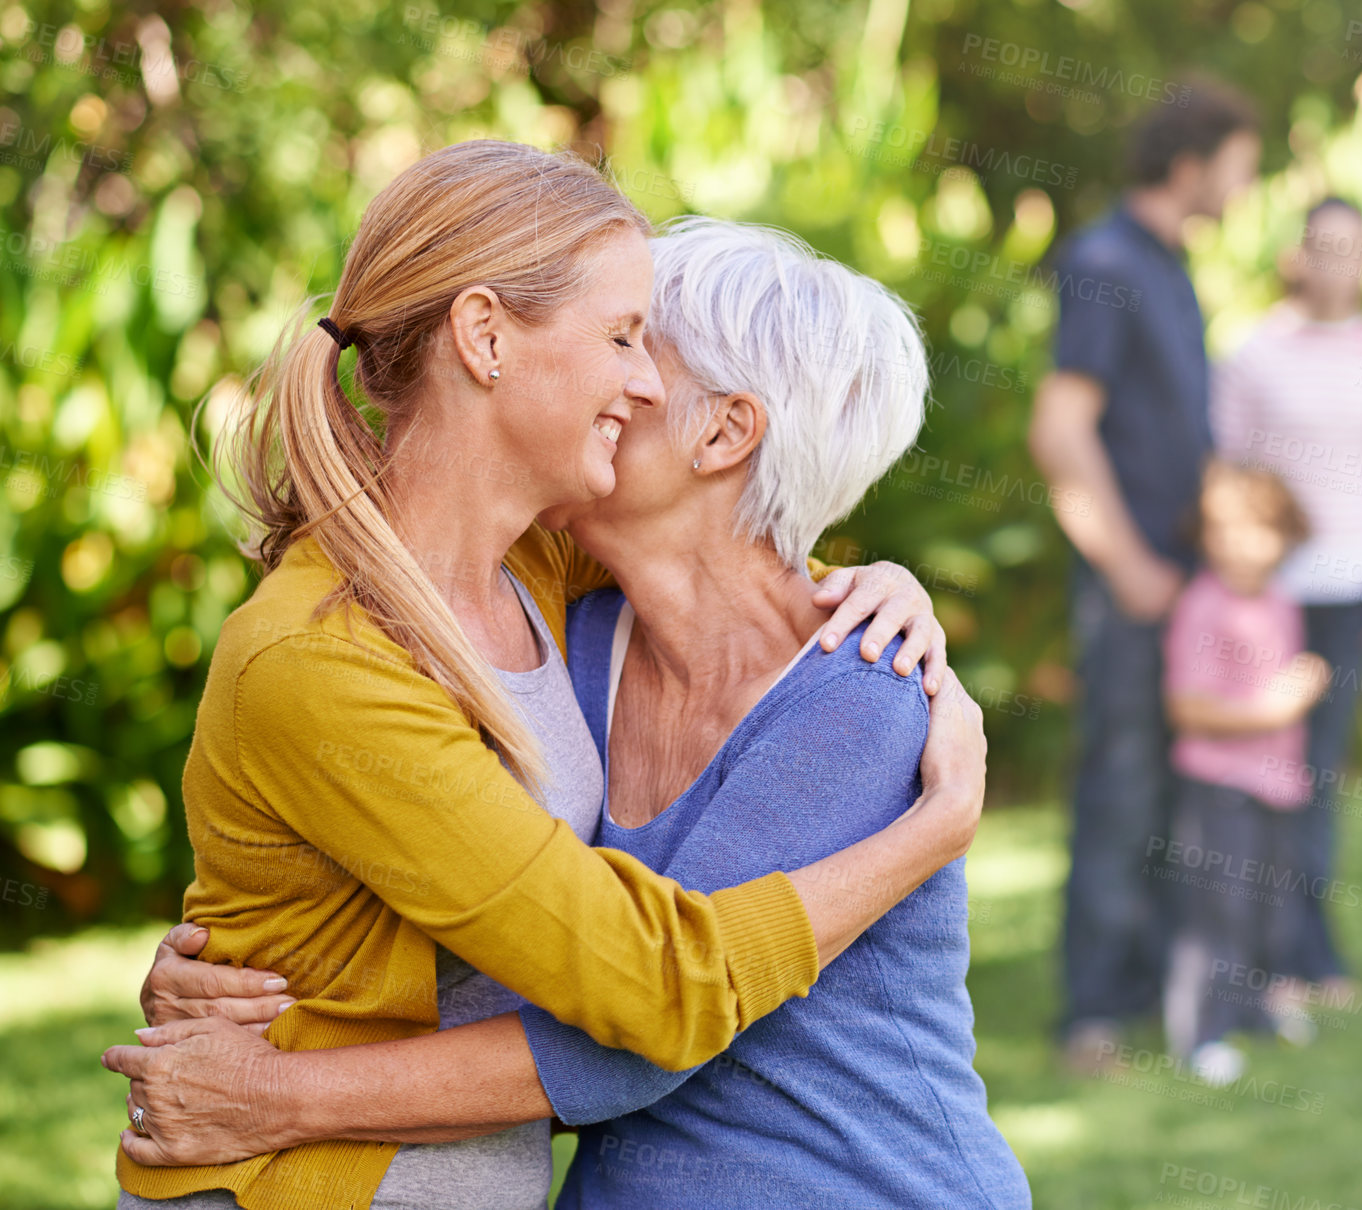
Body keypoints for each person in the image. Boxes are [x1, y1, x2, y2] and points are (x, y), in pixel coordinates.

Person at [104, 144, 986, 1210]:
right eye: (620, 338)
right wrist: (926, 837)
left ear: (724, 429)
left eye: (645, 345)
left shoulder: (575, 586)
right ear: (484, 338)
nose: (638, 378)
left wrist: (889, 592)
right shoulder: (427, 631)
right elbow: (642, 985)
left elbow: (731, 574)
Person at [1028, 81, 1261, 1070]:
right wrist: (1125, 565)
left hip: (1186, 587)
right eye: (1241, 164)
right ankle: (1090, 1010)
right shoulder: (1106, 260)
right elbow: (1061, 428)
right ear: (1191, 163)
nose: (1248, 186)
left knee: (1173, 792)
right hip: (1136, 586)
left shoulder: (1168, 264)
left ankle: (1159, 987)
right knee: (1119, 788)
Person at [1211, 197, 1362, 990]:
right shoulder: (1250, 351)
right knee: (1256, 766)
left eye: (1353, 248)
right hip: (1270, 595)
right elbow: (1228, 473)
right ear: (1296, 256)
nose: (1337, 262)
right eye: (1322, 246)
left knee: (1318, 772)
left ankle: (1309, 950)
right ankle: (1253, 951)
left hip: (1353, 586)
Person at [1159, 461, 1329, 1086]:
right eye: (1221, 528)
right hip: (1221, 785)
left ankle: (1255, 1009)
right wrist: (1275, 707)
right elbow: (1188, 707)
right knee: (1219, 913)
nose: (1237, 543)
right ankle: (1201, 1033)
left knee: (1270, 908)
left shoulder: (1280, 600)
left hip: (1277, 784)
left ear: (1286, 535)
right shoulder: (1204, 606)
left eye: (1256, 528)